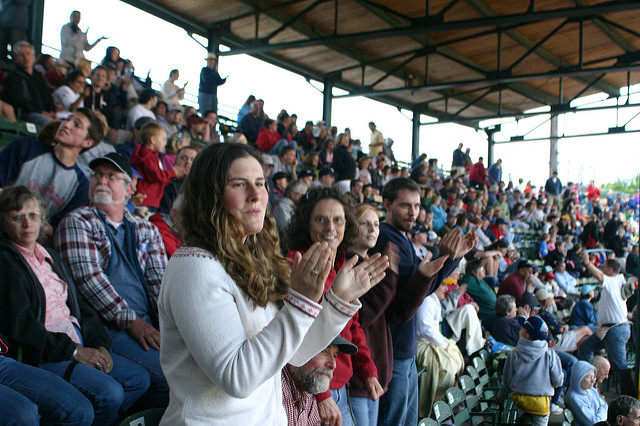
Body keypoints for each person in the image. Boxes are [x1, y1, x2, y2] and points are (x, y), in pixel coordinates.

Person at [158, 143, 388, 424]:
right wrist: (300, 304)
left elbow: (291, 356)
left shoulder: (251, 261)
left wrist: (337, 303)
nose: (256, 195)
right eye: (239, 184)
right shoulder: (194, 267)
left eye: (260, 183)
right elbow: (238, 378)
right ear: (211, 195)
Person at [0, 186, 150, 423]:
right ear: (4, 224)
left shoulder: (50, 256)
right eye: (17, 217)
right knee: (108, 393)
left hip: (77, 339)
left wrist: (100, 344)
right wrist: (74, 352)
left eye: (33, 216)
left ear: (42, 219)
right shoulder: (7, 262)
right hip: (48, 351)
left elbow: (80, 306)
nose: (27, 224)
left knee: (138, 380)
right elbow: (22, 327)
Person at [54, 153, 170, 410]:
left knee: (190, 365)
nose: (102, 181)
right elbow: (89, 280)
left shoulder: (146, 228)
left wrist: (170, 324)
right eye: (97, 176)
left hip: (147, 322)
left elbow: (160, 281)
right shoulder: (77, 221)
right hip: (104, 326)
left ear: (129, 189)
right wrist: (133, 322)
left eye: (111, 176)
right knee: (168, 376)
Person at [370, 178, 475, 426]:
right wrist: (446, 256)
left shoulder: (403, 238)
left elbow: (424, 286)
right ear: (387, 204)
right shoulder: (386, 238)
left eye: (416, 206)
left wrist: (451, 258)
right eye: (405, 205)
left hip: (405, 347)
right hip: (392, 349)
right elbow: (419, 285)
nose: (413, 212)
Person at [286, 187, 388, 426]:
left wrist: (368, 370)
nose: (330, 228)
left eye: (337, 220)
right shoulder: (297, 263)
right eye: (321, 220)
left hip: (342, 385)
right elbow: (293, 335)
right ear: (307, 224)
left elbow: (352, 327)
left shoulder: (340, 265)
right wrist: (321, 395)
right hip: (314, 392)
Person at [0, 108, 104, 228]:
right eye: (67, 119)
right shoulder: (26, 147)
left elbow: (55, 231)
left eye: (76, 125)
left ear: (87, 143)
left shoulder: (81, 187)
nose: (66, 124)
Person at [577, 257, 635, 396]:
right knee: (586, 347)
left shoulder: (613, 281)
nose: (602, 268)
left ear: (610, 269)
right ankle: (589, 383)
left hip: (615, 330)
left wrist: (588, 263)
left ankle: (630, 399)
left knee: (620, 367)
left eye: (604, 266)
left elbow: (600, 276)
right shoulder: (619, 281)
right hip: (607, 329)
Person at [496, 315, 564, 426]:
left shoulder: (514, 353)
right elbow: (558, 381)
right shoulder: (549, 354)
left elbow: (507, 380)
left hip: (519, 401)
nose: (520, 329)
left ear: (527, 336)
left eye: (522, 328)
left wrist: (501, 396)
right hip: (540, 404)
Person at [415, 280, 465, 418]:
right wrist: (443, 345)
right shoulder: (426, 300)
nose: (446, 288)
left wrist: (445, 344)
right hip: (422, 346)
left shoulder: (433, 299)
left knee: (456, 357)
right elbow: (425, 329)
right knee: (446, 366)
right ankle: (434, 406)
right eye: (443, 285)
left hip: (432, 343)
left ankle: (450, 400)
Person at [282, 336, 358, 426]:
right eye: (323, 351)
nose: (333, 365)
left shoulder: (307, 394)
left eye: (335, 355)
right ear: (299, 348)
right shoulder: (273, 390)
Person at [129, 122, 186, 211]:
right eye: (163, 139)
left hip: (150, 199)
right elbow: (157, 176)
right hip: (146, 199)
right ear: (153, 140)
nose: (165, 143)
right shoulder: (148, 157)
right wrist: (173, 172)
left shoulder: (150, 155)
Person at [1, 41, 56, 125]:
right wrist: (41, 112)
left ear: (34, 57)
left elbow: (48, 97)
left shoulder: (39, 77)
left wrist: (52, 111)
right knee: (50, 124)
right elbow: (19, 101)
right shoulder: (12, 77)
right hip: (26, 114)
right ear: (16, 58)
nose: (26, 57)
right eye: (21, 55)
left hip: (43, 114)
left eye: (28, 54)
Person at [565, 361, 608, 426]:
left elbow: (605, 405)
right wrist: (601, 408)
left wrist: (601, 410)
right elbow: (594, 423)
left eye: (593, 377)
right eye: (588, 377)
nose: (593, 381)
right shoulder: (574, 398)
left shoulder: (592, 390)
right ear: (578, 377)